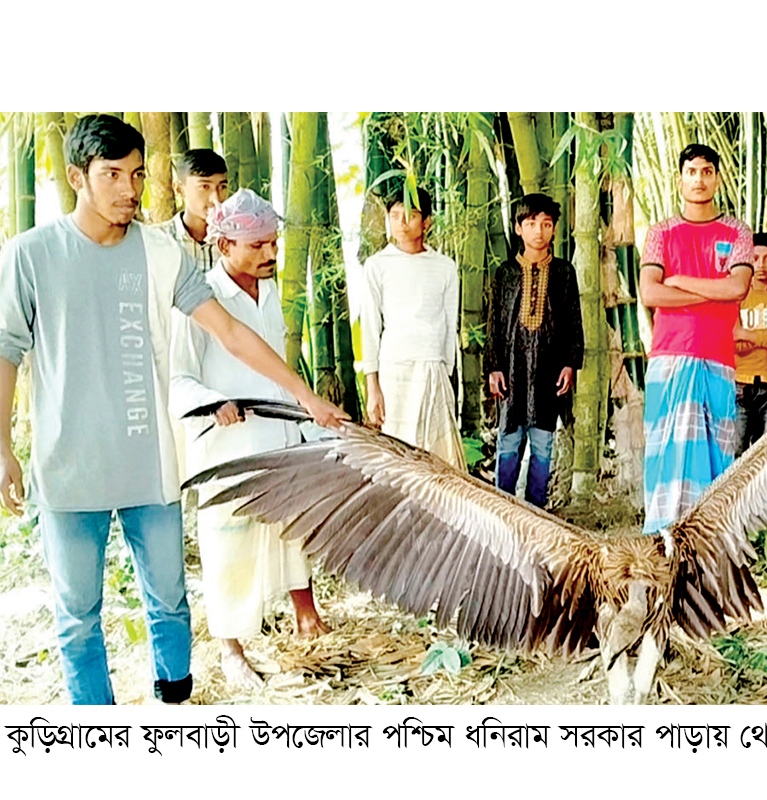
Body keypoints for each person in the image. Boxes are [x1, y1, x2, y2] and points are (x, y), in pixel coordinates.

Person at [0, 114, 346, 705]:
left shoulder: (162, 253)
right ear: (76, 177)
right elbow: (6, 350)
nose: (129, 190)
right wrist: (3, 447)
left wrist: (307, 396)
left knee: (168, 602)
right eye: (112, 175)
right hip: (67, 465)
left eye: (137, 174)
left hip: (150, 461)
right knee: (77, 616)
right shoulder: (30, 255)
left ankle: (174, 708)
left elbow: (232, 333)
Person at [170, 189, 331, 691]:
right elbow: (175, 377)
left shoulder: (271, 292)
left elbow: (276, 366)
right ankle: (231, 648)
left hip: (278, 435)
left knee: (293, 530)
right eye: (258, 245)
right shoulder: (199, 300)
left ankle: (306, 614)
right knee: (229, 546)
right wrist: (213, 401)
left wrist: (307, 411)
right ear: (224, 247)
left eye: (274, 243)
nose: (270, 254)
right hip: (228, 445)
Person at [639, 144, 752, 534]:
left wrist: (681, 281)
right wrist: (713, 291)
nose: (699, 179)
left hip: (717, 358)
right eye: (692, 171)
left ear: (717, 178)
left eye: (707, 171)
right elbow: (650, 294)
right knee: (665, 454)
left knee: (715, 454)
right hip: (669, 358)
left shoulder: (737, 231)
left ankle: (706, 541)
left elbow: (738, 287)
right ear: (680, 178)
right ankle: (660, 537)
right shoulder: (661, 233)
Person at [485, 193, 582, 507]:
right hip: (512, 371)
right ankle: (503, 509)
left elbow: (572, 321)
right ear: (517, 228)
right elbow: (494, 324)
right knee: (509, 440)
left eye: (546, 224)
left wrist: (569, 363)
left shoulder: (565, 273)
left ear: (554, 229)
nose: (538, 231)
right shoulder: (505, 273)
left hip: (548, 370)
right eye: (530, 223)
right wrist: (494, 367)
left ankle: (536, 513)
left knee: (543, 443)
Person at [361, 186, 465, 469]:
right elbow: (370, 327)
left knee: (438, 459)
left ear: (427, 222)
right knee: (397, 457)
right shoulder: (376, 266)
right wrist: (373, 388)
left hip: (433, 367)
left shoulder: (445, 267)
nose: (402, 222)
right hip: (394, 369)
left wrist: (446, 374)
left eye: (410, 215)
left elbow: (448, 323)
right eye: (395, 215)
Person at [733, 232, 767, 454]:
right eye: (754, 258)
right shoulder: (737, 293)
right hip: (739, 383)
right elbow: (734, 342)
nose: (761, 265)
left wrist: (749, 335)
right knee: (736, 451)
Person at [153, 148, 229, 273]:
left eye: (222, 187)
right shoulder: (158, 241)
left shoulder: (236, 241)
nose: (216, 198)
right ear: (179, 190)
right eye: (205, 187)